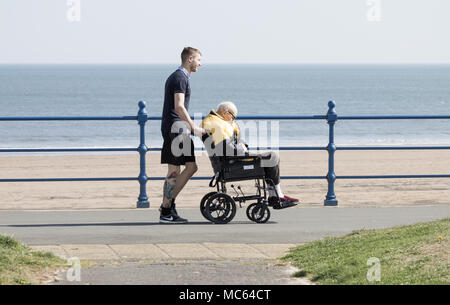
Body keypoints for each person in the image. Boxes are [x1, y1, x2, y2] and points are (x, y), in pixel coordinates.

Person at [201, 101, 299, 209]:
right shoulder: (218, 124)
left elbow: (232, 143)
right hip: (232, 164)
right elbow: (228, 149)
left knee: (268, 157)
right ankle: (276, 195)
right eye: (233, 117)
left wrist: (242, 145)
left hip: (224, 163)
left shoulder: (213, 121)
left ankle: (275, 195)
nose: (233, 120)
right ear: (225, 112)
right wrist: (242, 148)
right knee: (272, 157)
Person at [160, 47, 204, 223]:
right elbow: (179, 106)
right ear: (190, 59)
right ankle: (165, 210)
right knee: (174, 170)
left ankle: (168, 206)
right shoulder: (179, 78)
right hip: (176, 128)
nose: (201, 64)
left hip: (177, 127)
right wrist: (194, 128)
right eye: (199, 60)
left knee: (190, 166)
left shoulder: (181, 77)